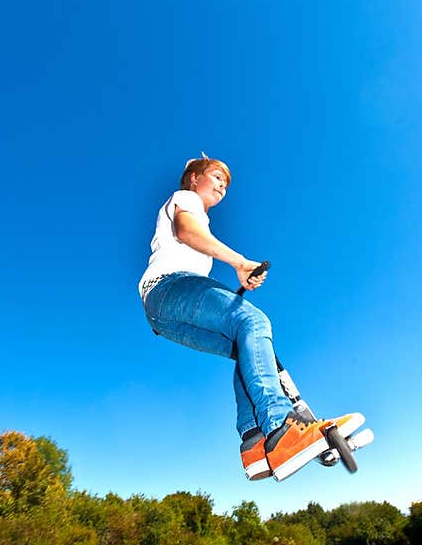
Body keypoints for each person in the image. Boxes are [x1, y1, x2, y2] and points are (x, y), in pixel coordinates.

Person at [139, 155, 361, 481]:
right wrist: (239, 262)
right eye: (215, 177)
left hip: (163, 315)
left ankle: (256, 444)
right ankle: (280, 428)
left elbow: (193, 240)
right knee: (255, 323)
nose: (222, 186)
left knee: (249, 349)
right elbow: (186, 232)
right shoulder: (185, 200)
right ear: (193, 179)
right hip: (169, 288)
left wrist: (239, 277)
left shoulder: (200, 219)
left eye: (225, 184)